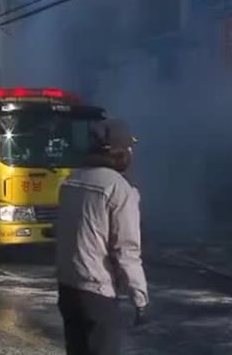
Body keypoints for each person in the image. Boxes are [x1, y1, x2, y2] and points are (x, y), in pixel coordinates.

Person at [55, 119, 148, 355]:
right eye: (129, 148)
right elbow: (126, 250)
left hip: (67, 289)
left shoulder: (71, 180)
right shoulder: (119, 189)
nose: (131, 153)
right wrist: (139, 296)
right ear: (120, 152)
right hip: (97, 293)